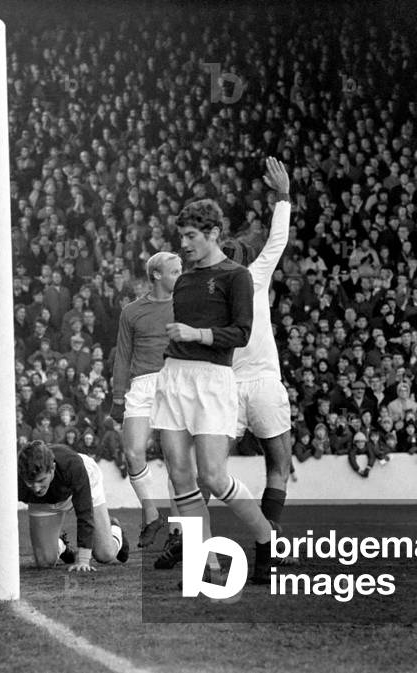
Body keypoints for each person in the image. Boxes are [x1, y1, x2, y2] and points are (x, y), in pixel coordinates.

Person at [149, 192, 273, 585]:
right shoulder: (184, 280)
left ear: (213, 233)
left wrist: (196, 333)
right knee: (180, 476)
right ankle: (203, 563)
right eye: (181, 236)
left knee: (215, 477)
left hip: (214, 380)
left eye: (191, 236)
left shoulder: (237, 276)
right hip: (174, 377)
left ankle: (266, 538)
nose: (183, 244)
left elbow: (241, 333)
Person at [223, 157, 293, 528]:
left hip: (227, 387)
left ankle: (186, 538)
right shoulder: (254, 276)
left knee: (208, 471)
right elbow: (278, 240)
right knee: (279, 466)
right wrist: (283, 196)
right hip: (264, 382)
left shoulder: (206, 291)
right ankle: (268, 539)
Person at [110, 251, 182, 547]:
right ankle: (152, 516)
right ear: (156, 275)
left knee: (177, 461)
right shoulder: (132, 311)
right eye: (174, 271)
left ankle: (176, 532)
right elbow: (123, 356)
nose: (180, 276)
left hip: (174, 383)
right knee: (133, 452)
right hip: (141, 386)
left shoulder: (185, 306)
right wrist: (117, 398)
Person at [17, 440, 129, 571]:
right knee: (45, 562)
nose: (36, 488)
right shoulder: (14, 479)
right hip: (46, 500)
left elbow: (84, 512)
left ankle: (114, 529)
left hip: (83, 482)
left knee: (105, 554)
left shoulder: (73, 465)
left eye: (41, 480)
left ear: (52, 468)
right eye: (30, 482)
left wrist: (83, 560)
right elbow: (0, 515)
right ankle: (61, 545)